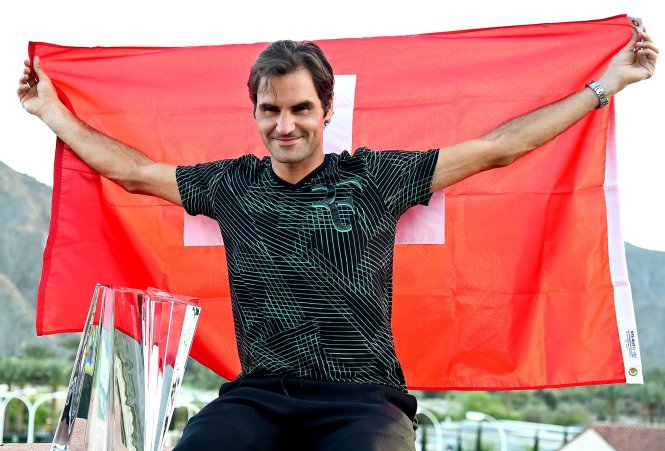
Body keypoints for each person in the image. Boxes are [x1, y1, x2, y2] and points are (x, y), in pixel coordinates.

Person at [18, 30, 657, 450]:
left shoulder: (376, 177)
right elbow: (132, 172)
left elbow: (496, 148)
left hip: (363, 402)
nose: (285, 124)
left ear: (326, 110)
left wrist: (605, 85)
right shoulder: (229, 185)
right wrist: (50, 112)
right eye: (271, 109)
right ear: (255, 112)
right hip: (260, 394)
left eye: (300, 108)